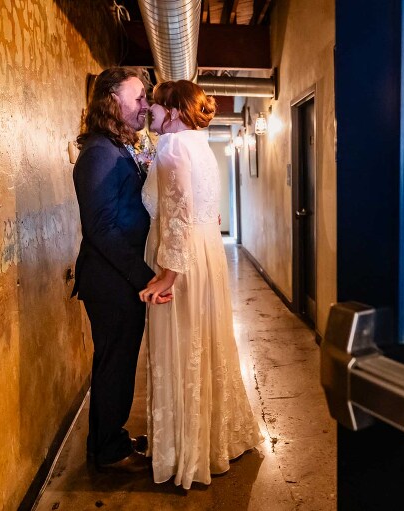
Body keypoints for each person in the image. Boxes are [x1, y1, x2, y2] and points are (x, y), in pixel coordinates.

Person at [139, 80, 264, 488]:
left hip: (183, 261)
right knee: (204, 341)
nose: (151, 111)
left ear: (174, 111)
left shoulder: (173, 147)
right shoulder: (199, 145)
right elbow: (204, 213)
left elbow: (179, 213)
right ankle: (211, 436)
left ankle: (186, 450)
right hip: (205, 251)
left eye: (156, 106)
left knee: (183, 344)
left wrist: (168, 275)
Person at [72, 67, 168, 473]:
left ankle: (107, 440)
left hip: (120, 275)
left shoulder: (118, 146)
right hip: (111, 279)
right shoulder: (99, 152)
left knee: (118, 362)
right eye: (139, 97)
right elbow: (101, 227)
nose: (145, 105)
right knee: (116, 365)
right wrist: (146, 276)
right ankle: (108, 449)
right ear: (112, 99)